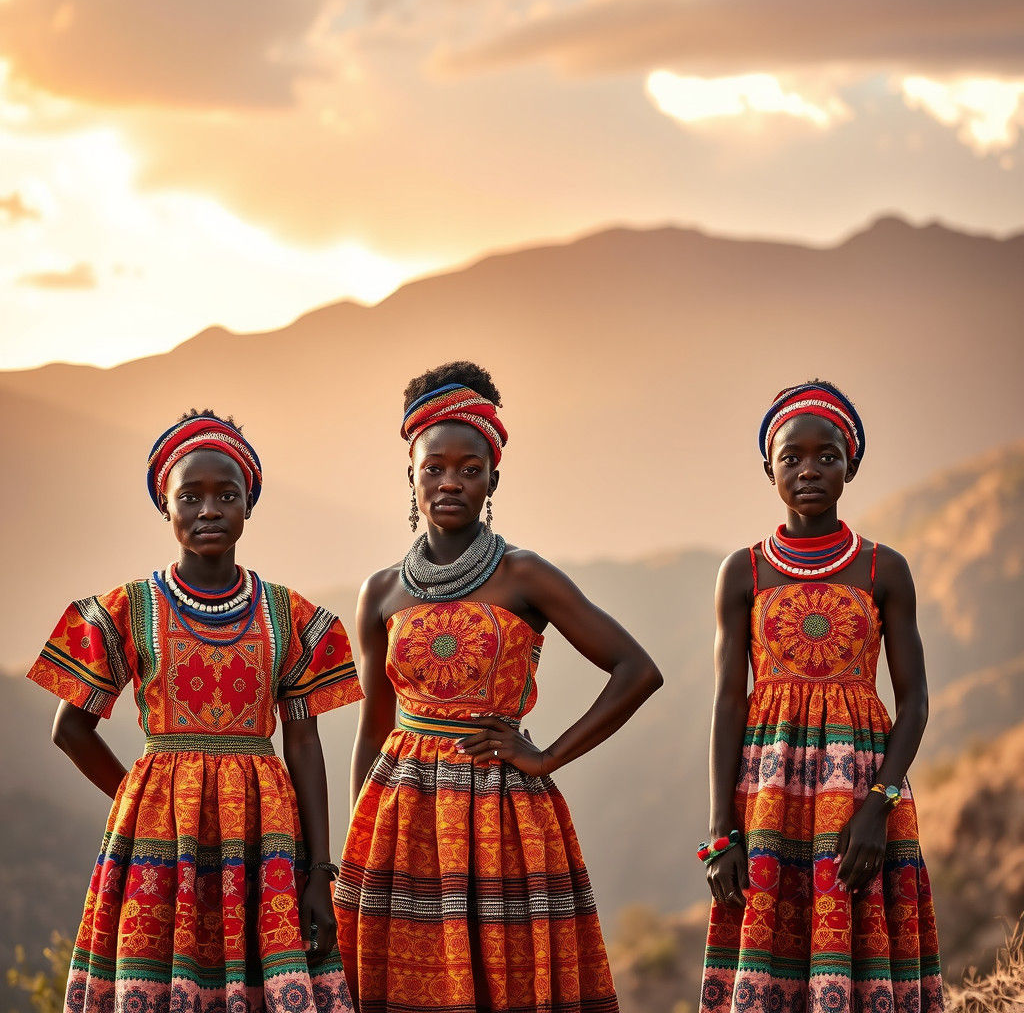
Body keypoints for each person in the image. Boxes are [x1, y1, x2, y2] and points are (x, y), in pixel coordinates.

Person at [333, 362, 662, 1013]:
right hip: (402, 817)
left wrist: (544, 758)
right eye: (434, 468)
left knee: (504, 986)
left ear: (493, 479)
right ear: (412, 475)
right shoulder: (380, 591)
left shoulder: (524, 575)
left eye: (469, 469)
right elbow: (375, 726)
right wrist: (358, 840)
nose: (450, 482)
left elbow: (636, 670)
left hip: (501, 813)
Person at [28, 411, 362, 1013]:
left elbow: (304, 745)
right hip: (159, 841)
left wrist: (319, 870)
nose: (209, 509)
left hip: (265, 840)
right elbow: (69, 728)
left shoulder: (291, 617)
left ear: (247, 508)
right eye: (191, 496)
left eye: (226, 495)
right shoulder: (128, 609)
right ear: (167, 507)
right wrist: (140, 797)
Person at [699, 383, 944, 1013]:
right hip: (768, 794)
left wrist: (878, 807)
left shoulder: (883, 569)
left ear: (850, 466)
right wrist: (722, 830)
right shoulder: (743, 571)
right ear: (769, 469)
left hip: (861, 788)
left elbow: (913, 702)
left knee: (860, 958)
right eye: (792, 458)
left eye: (827, 456)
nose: (809, 470)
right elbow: (729, 701)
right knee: (771, 959)